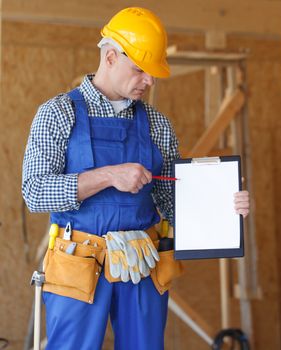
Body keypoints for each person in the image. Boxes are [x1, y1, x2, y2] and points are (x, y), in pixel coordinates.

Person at [22, 7, 250, 350]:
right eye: (141, 70)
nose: (150, 81)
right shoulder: (56, 114)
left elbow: (174, 204)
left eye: (154, 73)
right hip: (78, 264)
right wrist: (108, 176)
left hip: (141, 264)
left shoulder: (158, 125)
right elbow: (35, 192)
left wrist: (227, 205)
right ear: (111, 57)